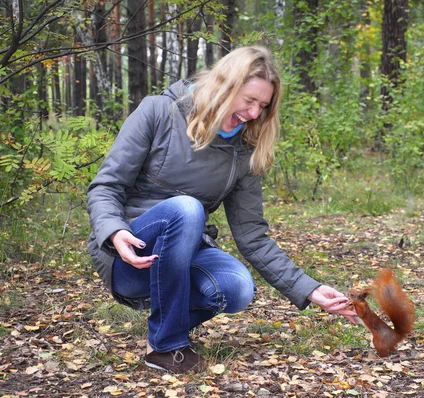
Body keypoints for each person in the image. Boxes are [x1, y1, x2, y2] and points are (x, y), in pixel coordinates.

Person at [86, 46, 356, 374]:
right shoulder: (158, 111)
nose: (254, 113)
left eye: (263, 106)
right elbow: (106, 187)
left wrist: (309, 288)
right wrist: (114, 231)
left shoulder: (244, 152)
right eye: (248, 100)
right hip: (128, 254)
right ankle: (169, 346)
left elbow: (252, 237)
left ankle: (160, 337)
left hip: (184, 251)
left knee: (237, 288)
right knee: (186, 209)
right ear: (224, 86)